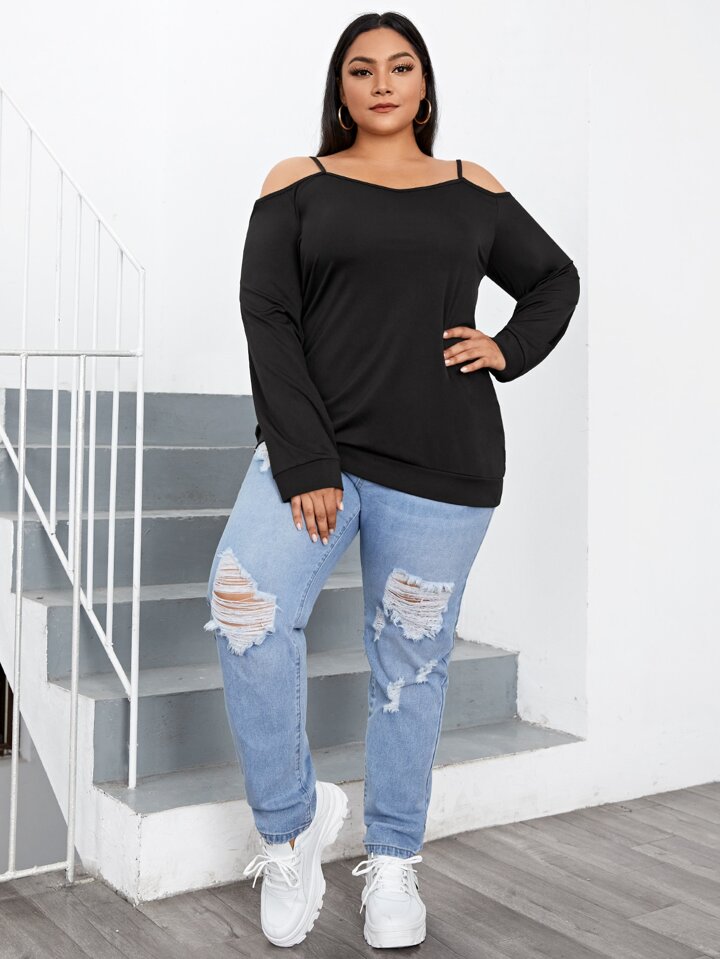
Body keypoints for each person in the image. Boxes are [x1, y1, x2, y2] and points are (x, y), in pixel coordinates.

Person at [204, 10, 580, 950]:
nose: (381, 82)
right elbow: (268, 319)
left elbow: (555, 279)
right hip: (320, 451)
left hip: (444, 464)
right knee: (246, 607)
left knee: (409, 669)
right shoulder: (296, 183)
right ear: (340, 89)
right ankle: (290, 831)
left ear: (423, 86)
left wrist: (506, 347)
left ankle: (395, 863)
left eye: (400, 66)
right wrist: (306, 457)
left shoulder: (470, 188)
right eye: (362, 68)